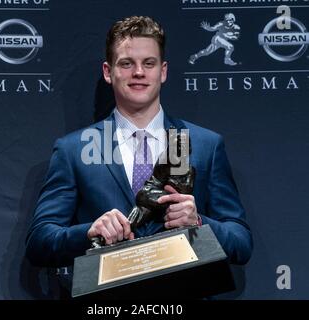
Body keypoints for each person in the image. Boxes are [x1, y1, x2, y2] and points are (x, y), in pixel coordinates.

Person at [26, 16, 252, 268]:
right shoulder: (73, 150)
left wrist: (199, 222)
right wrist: (89, 231)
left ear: (162, 71)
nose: (138, 72)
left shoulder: (205, 145)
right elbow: (39, 242)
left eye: (149, 63)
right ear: (107, 72)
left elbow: (241, 243)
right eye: (126, 63)